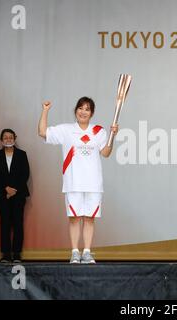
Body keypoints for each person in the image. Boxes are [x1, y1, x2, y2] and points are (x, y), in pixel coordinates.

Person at [38, 97, 118, 264]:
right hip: (73, 182)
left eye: (87, 109)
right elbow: (42, 132)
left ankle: (87, 252)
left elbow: (106, 153)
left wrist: (112, 136)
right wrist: (45, 110)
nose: (83, 112)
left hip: (93, 183)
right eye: (80, 108)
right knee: (74, 218)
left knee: (89, 218)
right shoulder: (66, 130)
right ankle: (75, 252)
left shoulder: (99, 131)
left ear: (92, 113)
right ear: (76, 111)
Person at [0, 129, 30, 263]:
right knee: (5, 223)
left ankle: (17, 254)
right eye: (5, 137)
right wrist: (6, 189)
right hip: (2, 195)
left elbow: (25, 174)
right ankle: (6, 254)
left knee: (18, 223)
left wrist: (14, 190)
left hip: (19, 194)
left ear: (15, 138)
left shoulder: (22, 154)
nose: (8, 139)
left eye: (11, 137)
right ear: (1, 140)